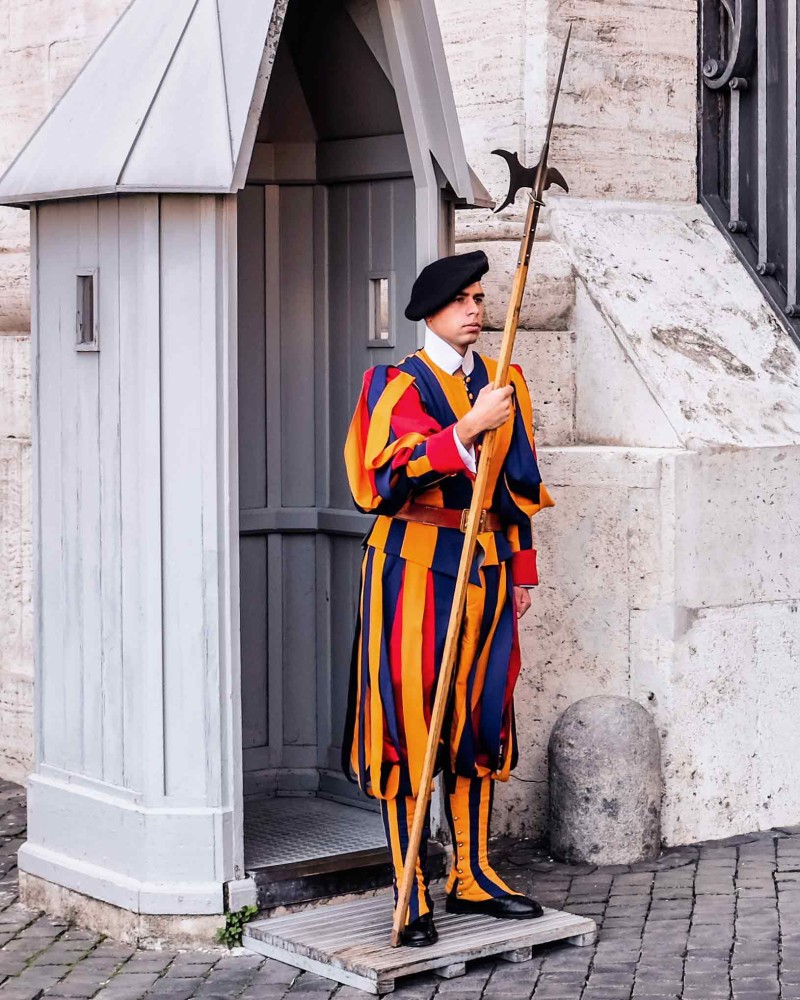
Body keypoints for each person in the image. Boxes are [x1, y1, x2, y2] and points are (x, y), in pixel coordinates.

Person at [341, 250, 554, 947]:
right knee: (409, 720)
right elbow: (380, 479)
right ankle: (410, 890)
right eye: (462, 299)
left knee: (480, 714)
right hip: (413, 566)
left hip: (486, 565)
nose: (476, 308)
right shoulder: (393, 383)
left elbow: (518, 487)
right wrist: (463, 431)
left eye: (480, 297)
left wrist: (521, 571)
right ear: (430, 311)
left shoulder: (504, 381)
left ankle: (471, 874)